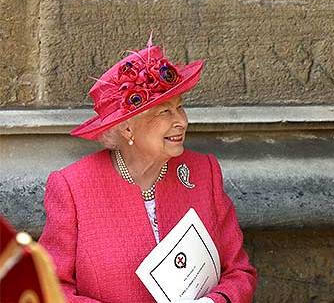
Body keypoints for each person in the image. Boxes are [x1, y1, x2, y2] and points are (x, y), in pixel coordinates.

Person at [39, 38, 257, 303]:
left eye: (180, 107)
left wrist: (214, 302)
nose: (181, 121)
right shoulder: (73, 187)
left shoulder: (203, 172)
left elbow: (240, 272)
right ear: (127, 128)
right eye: (164, 112)